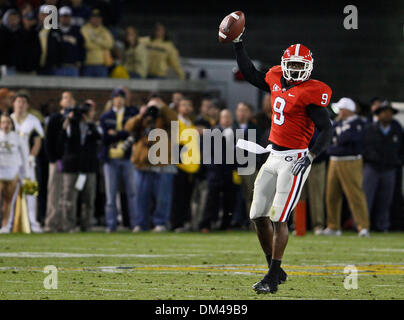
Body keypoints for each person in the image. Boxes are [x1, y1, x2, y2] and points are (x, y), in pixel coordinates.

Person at [230, 31, 333, 294]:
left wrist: (310, 155)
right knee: (257, 216)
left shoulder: (311, 93)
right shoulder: (276, 79)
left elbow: (327, 129)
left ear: (308, 67)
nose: (296, 70)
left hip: (294, 159)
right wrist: (238, 43)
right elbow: (251, 74)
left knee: (279, 217)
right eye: (292, 65)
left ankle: (273, 278)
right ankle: (274, 268)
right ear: (285, 65)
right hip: (272, 155)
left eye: (301, 65)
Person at [124, 94, 178, 232]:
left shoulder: (165, 116)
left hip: (161, 162)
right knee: (141, 196)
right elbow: (128, 127)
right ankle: (141, 223)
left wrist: (162, 108)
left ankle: (160, 222)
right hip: (142, 162)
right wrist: (141, 115)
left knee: (162, 196)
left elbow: (175, 121)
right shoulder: (143, 118)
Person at [323, 97, 370, 237]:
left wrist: (335, 146)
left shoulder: (359, 123)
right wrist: (336, 146)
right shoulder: (337, 123)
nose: (339, 112)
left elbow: (348, 141)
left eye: (341, 109)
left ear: (348, 110)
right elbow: (331, 142)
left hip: (351, 161)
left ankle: (363, 226)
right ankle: (333, 226)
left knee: (354, 194)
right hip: (334, 161)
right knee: (331, 194)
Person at [99, 88, 138, 232]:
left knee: (132, 193)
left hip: (127, 157)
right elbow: (105, 138)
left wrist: (116, 134)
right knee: (111, 195)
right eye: (116, 97)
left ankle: (135, 224)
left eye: (121, 97)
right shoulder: (106, 116)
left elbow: (133, 132)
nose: (119, 100)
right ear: (113, 99)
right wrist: (122, 134)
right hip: (110, 159)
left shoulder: (131, 114)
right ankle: (111, 224)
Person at [59, 102, 101, 232]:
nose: (93, 114)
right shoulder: (72, 125)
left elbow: (99, 137)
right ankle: (68, 225)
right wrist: (68, 119)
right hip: (72, 167)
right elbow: (63, 136)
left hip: (88, 167)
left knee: (89, 199)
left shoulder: (93, 127)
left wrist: (90, 124)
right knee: (69, 198)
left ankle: (86, 224)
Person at [363, 100, 402, 232]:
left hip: (389, 168)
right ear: (378, 114)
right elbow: (364, 147)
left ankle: (382, 225)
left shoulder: (397, 130)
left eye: (389, 113)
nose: (387, 115)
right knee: (366, 197)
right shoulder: (369, 128)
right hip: (371, 167)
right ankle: (363, 225)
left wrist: (397, 160)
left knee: (386, 199)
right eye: (384, 112)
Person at [199, 109, 238, 233]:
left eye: (228, 117)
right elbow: (206, 152)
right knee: (211, 200)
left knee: (229, 200)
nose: (226, 119)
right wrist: (211, 167)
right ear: (220, 119)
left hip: (229, 172)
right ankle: (206, 224)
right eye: (224, 117)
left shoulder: (237, 133)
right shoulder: (212, 132)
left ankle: (226, 224)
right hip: (215, 171)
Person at [10, 92, 44, 233]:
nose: (21, 104)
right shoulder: (7, 119)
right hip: (9, 163)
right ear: (14, 103)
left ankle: (33, 223)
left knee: (30, 193)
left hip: (27, 164)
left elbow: (37, 141)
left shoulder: (33, 120)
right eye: (18, 101)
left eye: (24, 102)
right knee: (9, 194)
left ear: (28, 105)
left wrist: (32, 156)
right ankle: (7, 224)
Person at [44, 91, 76, 232]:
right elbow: (49, 140)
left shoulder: (77, 120)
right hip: (57, 160)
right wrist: (52, 159)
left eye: (70, 98)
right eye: (64, 98)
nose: (67, 101)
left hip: (70, 161)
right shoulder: (55, 118)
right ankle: (51, 223)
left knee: (67, 193)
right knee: (54, 192)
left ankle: (66, 224)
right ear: (61, 103)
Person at [170, 97, 200, 232]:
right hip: (180, 165)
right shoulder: (176, 123)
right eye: (183, 105)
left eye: (188, 105)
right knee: (178, 196)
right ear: (178, 108)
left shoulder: (191, 124)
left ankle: (184, 221)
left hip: (191, 166)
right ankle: (176, 223)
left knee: (187, 196)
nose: (186, 107)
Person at [0, 114, 29, 233]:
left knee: (8, 200)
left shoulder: (18, 138)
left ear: (12, 125)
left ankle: (6, 225)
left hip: (12, 172)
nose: (6, 125)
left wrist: (26, 174)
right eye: (3, 122)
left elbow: (24, 156)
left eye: (8, 122)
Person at [81, 8, 114, 77]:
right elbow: (87, 45)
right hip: (88, 64)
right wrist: (102, 45)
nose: (97, 20)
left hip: (102, 64)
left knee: (103, 87)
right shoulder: (84, 29)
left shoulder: (104, 30)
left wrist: (95, 40)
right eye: (94, 17)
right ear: (90, 18)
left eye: (99, 17)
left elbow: (110, 44)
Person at [54, 6, 85, 77]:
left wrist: (80, 61)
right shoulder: (55, 31)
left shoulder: (76, 32)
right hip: (59, 67)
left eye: (67, 16)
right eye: (63, 16)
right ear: (59, 17)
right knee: (58, 87)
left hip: (72, 67)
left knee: (73, 88)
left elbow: (82, 47)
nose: (65, 19)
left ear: (70, 17)